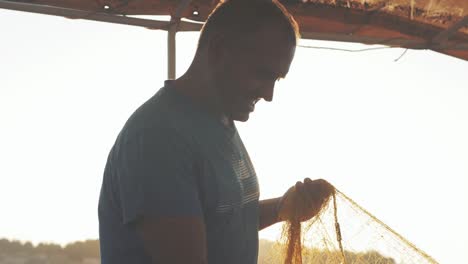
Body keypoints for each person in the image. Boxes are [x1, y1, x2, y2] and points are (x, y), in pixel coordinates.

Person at [98, 0, 334, 263]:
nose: (268, 95)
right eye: (262, 74)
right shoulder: (159, 137)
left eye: (276, 79)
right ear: (219, 50)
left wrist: (281, 208)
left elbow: (222, 221)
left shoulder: (220, 119)